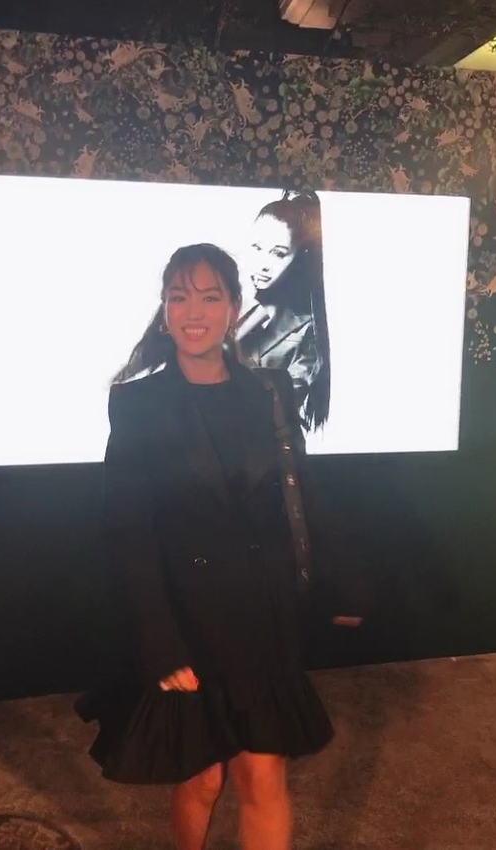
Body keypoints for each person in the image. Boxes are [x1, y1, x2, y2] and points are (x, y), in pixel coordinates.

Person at [75, 243, 334, 850]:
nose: (194, 311)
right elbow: (127, 530)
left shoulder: (270, 390)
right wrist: (159, 641)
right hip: (188, 622)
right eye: (179, 297)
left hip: (263, 615)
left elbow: (301, 493)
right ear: (165, 310)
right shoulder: (136, 403)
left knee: (263, 775)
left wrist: (341, 580)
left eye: (210, 297)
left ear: (234, 308)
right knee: (202, 778)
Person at [236, 191, 331, 433]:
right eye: (257, 247)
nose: (263, 264)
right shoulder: (225, 303)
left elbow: (283, 406)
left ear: (297, 258)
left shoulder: (308, 330)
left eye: (278, 253)